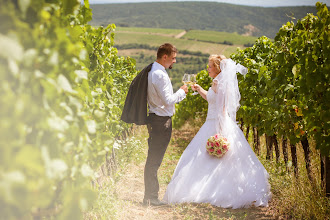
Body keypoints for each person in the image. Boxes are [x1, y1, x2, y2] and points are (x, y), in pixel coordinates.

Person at [163, 54, 271, 208]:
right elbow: (211, 99)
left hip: (217, 123)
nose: (207, 69)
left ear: (218, 68)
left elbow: (222, 109)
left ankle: (215, 190)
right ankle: (209, 187)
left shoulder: (219, 83)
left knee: (210, 156)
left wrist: (220, 133)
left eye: (210, 66)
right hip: (212, 121)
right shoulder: (217, 81)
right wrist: (199, 89)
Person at [143, 43, 188, 206]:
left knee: (153, 160)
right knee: (154, 161)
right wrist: (182, 91)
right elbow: (168, 100)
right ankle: (151, 198)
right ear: (165, 57)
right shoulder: (160, 75)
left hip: (156, 119)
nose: (174, 61)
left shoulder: (153, 70)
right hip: (161, 121)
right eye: (173, 58)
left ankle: (150, 196)